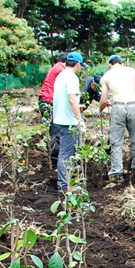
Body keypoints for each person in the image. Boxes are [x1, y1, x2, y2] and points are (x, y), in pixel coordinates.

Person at [99, 55, 135, 182]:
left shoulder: (106, 76)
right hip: (132, 104)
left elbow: (103, 99)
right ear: (122, 63)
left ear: (110, 64)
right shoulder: (131, 71)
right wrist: (134, 104)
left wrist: (100, 110)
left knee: (116, 141)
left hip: (117, 106)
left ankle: (116, 172)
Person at [52, 52, 86, 192]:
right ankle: (63, 185)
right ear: (77, 64)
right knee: (66, 153)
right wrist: (80, 120)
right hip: (67, 121)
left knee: (65, 152)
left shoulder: (60, 76)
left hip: (59, 119)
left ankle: (65, 182)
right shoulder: (72, 78)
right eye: (80, 66)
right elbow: (72, 99)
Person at [38, 52, 69, 167]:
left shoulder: (55, 67)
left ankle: (54, 157)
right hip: (49, 101)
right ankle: (55, 160)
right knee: (55, 131)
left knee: (53, 130)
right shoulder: (61, 69)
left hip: (45, 100)